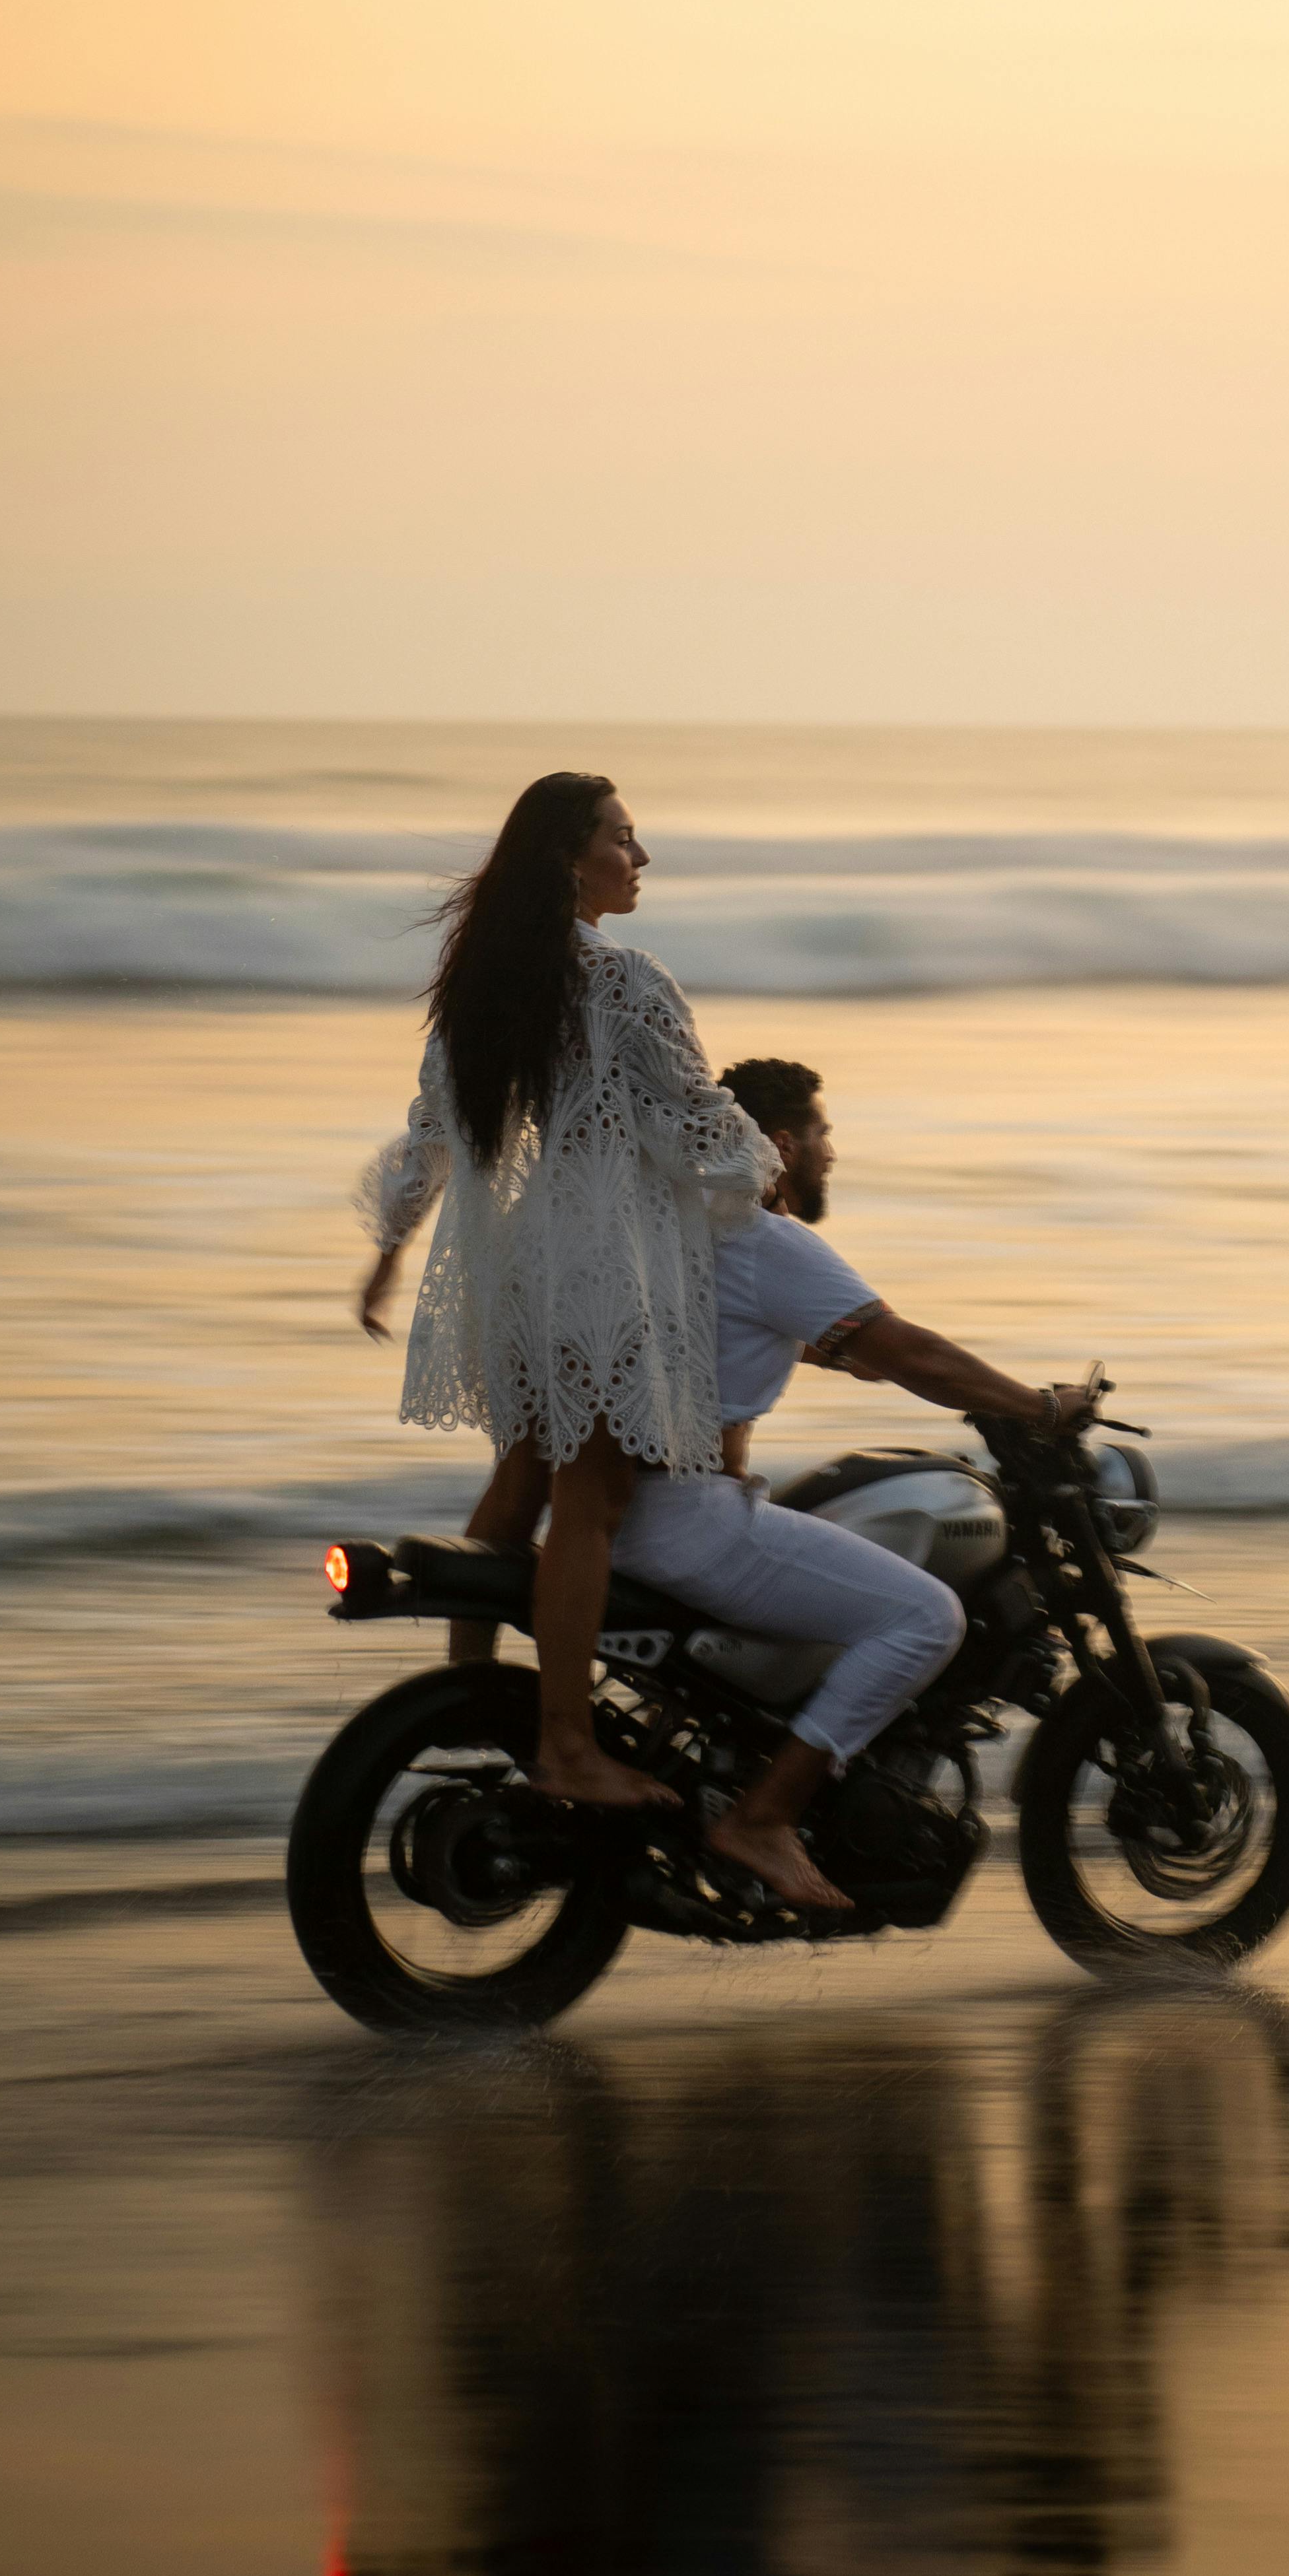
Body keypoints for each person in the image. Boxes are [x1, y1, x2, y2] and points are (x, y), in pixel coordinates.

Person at [355, 774, 776, 1812]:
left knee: (525, 1476)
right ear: (569, 860)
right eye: (625, 841)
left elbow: (431, 1135)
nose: (642, 859)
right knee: (593, 1500)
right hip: (602, 1272)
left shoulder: (484, 981)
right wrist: (767, 1174)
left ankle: (468, 1701)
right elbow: (695, 1119)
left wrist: (389, 1249)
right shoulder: (625, 981)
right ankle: (566, 1744)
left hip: (516, 1272)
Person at [612, 1053, 1099, 1915]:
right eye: (825, 1135)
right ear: (785, 1143)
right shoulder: (769, 1242)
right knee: (924, 1617)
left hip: (615, 1511)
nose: (832, 1153)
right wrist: (1035, 1406)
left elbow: (831, 1345)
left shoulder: (681, 1230)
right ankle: (764, 1818)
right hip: (693, 1520)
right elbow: (909, 1351)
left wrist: (861, 1353)